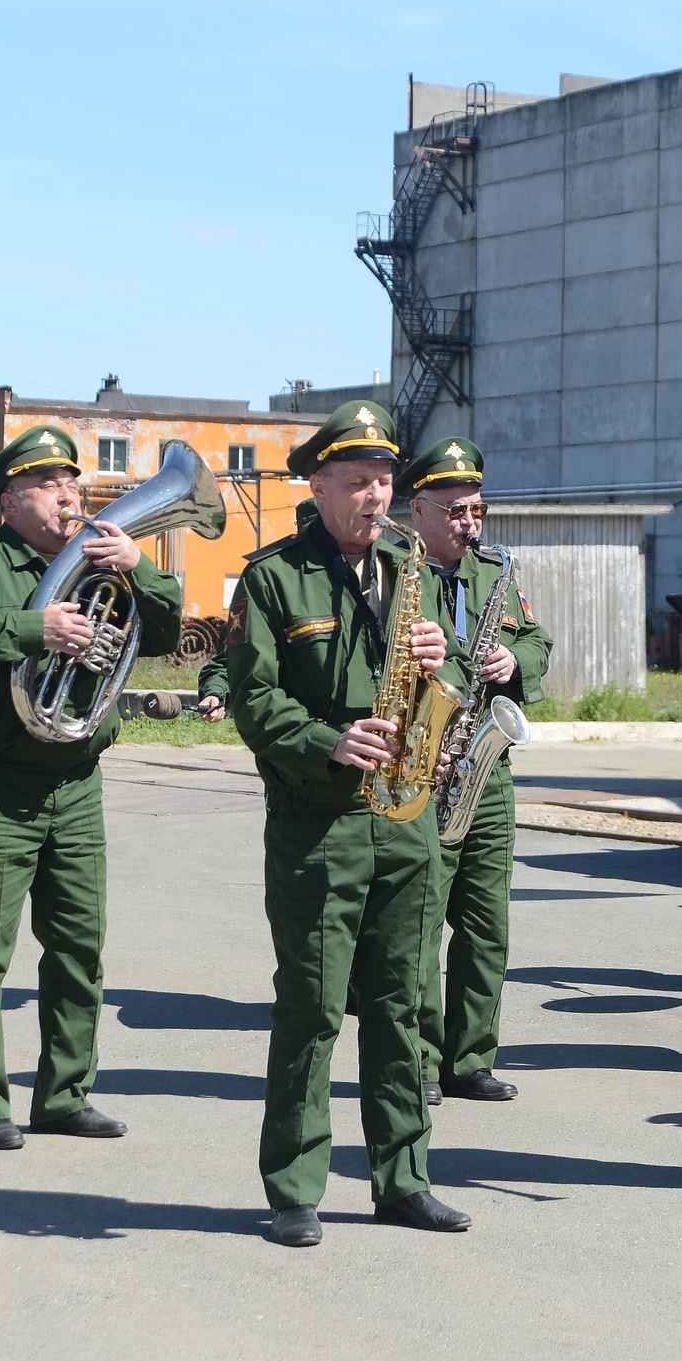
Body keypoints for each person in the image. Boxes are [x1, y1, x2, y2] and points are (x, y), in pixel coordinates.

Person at [0, 426, 184, 1150]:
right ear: (10, 497)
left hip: (76, 778)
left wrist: (139, 567)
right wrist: (34, 627)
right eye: (51, 484)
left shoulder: (101, 561)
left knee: (79, 946)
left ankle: (64, 1093)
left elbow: (163, 631)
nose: (70, 495)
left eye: (73, 482)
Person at [225, 402, 458, 1248]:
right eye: (357, 481)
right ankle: (294, 1184)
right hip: (318, 822)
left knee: (404, 1006)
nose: (374, 497)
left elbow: (454, 679)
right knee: (314, 1008)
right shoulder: (273, 578)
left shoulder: (411, 567)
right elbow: (254, 701)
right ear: (318, 483)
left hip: (406, 819)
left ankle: (404, 1179)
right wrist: (332, 739)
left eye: (384, 481)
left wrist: (443, 656)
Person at [405, 436, 553, 1106]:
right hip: (423, 764)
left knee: (486, 922)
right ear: (420, 510)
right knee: (419, 919)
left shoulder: (492, 572)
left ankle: (472, 1057)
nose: (471, 522)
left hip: (485, 768)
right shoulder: (393, 571)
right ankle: (420, 1060)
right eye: (457, 509)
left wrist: (514, 663)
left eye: (478, 509)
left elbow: (534, 637)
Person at [197, 500, 319, 723]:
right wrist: (216, 692)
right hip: (299, 730)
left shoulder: (386, 570)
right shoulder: (274, 581)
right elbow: (233, 659)